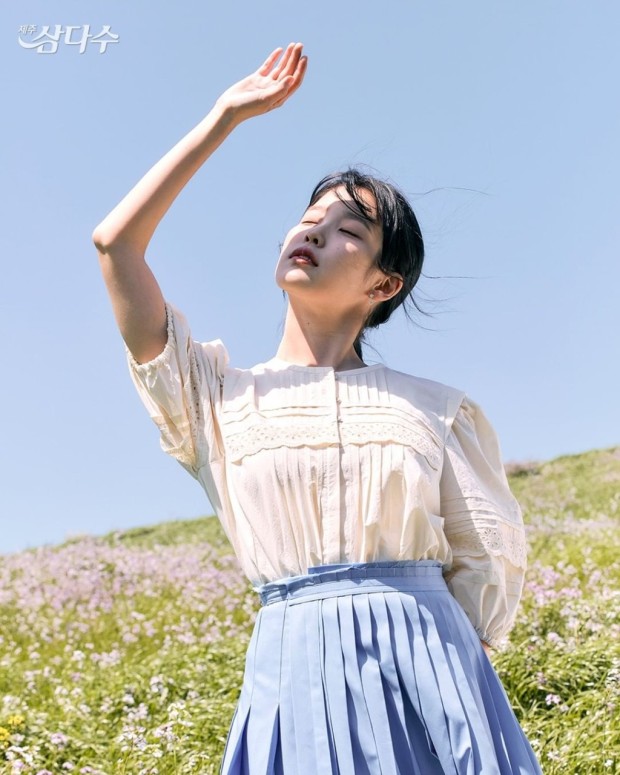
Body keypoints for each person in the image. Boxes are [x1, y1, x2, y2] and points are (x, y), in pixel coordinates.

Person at [93, 43, 542, 774]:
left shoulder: (435, 410)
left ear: (383, 284)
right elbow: (115, 246)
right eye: (308, 219)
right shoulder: (216, 396)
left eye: (348, 232)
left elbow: (483, 577)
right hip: (291, 671)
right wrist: (223, 119)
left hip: (433, 670)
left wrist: (447, 683)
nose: (312, 233)